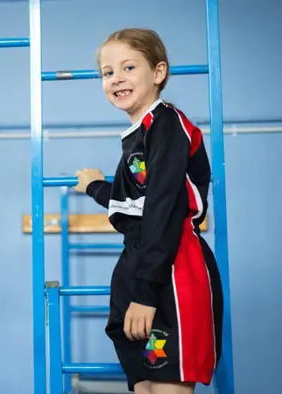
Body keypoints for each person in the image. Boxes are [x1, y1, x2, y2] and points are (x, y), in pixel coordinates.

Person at [72, 28, 223, 394]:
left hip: (173, 269)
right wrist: (95, 186)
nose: (116, 78)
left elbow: (162, 208)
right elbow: (132, 204)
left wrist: (144, 293)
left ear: (157, 73)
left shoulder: (168, 124)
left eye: (128, 67)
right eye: (107, 73)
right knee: (144, 386)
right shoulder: (137, 137)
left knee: (168, 385)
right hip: (140, 265)